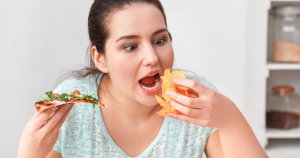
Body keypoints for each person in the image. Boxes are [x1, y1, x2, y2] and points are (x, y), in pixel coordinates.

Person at [17, 0, 268, 158]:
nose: (151, 57)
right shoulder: (72, 105)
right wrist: (28, 153)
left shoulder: (196, 101)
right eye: (130, 47)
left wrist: (231, 119)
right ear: (100, 58)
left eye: (159, 41)